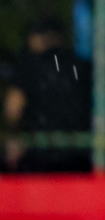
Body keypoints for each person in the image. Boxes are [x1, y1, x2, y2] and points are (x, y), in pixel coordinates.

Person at [3, 17, 91, 172]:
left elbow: (13, 108)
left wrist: (15, 136)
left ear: (36, 37)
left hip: (36, 158)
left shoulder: (28, 65)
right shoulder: (81, 66)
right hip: (78, 159)